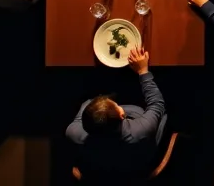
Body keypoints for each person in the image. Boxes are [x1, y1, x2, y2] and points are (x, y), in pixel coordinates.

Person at [66, 47, 168, 178]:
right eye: (116, 105)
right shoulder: (140, 130)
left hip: (100, 168)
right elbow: (156, 104)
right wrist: (143, 71)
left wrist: (99, 104)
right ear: (122, 115)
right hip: (135, 166)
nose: (117, 104)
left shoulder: (74, 133)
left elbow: (87, 103)